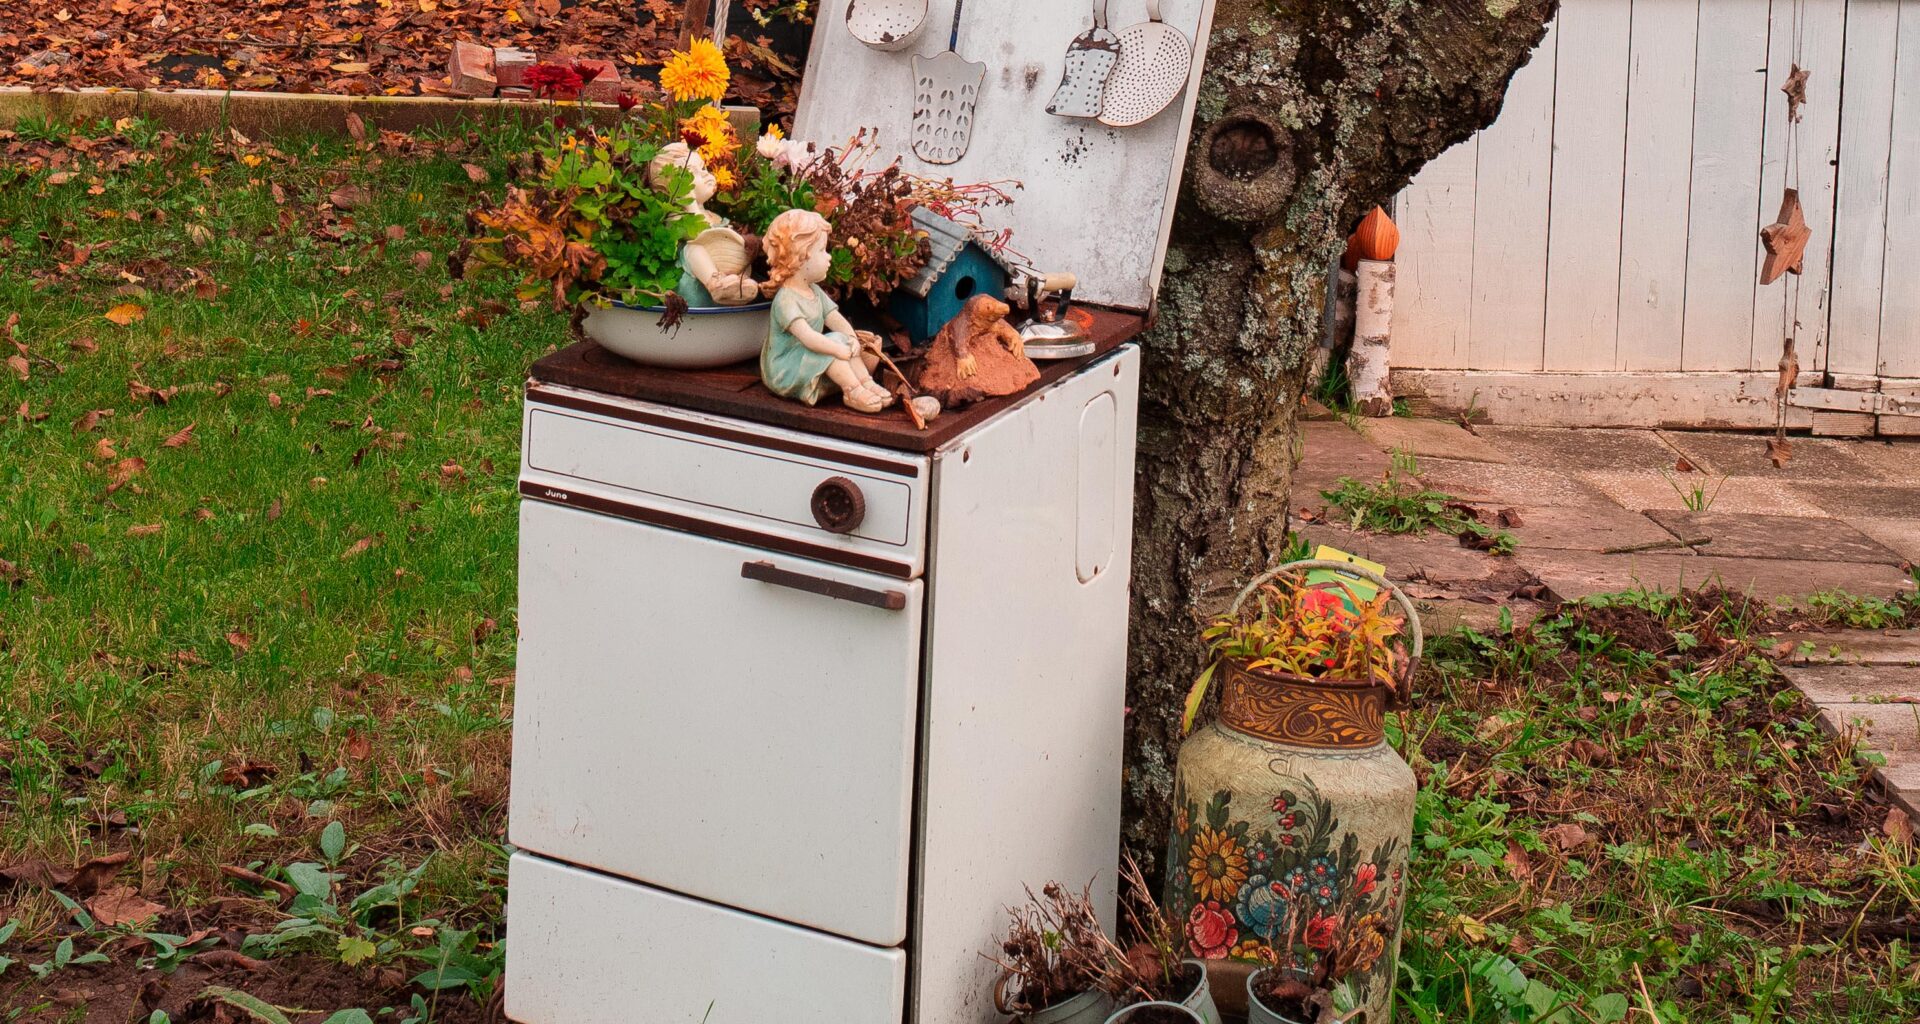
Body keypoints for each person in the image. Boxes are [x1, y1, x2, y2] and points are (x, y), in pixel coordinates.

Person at [759, 210, 896, 414]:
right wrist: (836, 349)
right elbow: (809, 338)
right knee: (832, 345)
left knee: (841, 338)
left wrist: (851, 338)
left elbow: (834, 318)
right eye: (822, 250)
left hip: (806, 357)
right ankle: (853, 390)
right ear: (800, 257)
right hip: (785, 368)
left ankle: (865, 382)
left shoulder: (813, 291)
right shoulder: (786, 299)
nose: (829, 257)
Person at [645, 142, 761, 307]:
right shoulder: (678, 216)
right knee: (694, 248)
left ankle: (739, 287)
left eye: (704, 168)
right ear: (674, 188)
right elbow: (699, 233)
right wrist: (689, 201)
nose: (706, 175)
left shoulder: (713, 216)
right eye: (693, 173)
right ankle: (715, 285)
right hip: (696, 282)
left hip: (727, 271)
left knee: (741, 252)